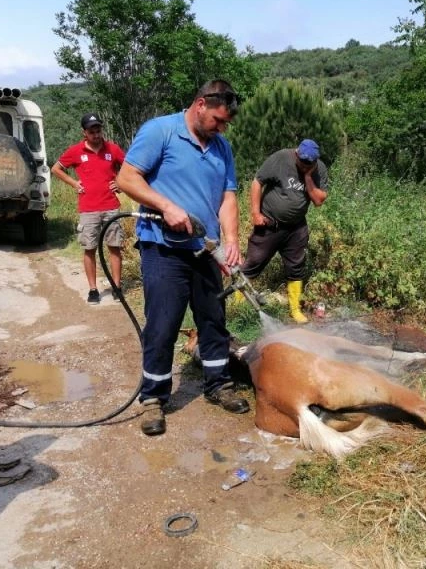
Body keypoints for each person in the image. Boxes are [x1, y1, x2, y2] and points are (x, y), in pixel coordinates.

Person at [116, 79, 249, 436]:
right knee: (163, 324)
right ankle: (153, 398)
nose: (222, 128)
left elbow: (228, 197)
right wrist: (166, 205)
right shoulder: (160, 131)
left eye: (226, 124)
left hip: (206, 249)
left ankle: (219, 383)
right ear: (201, 104)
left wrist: (231, 240)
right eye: (218, 120)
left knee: (213, 319)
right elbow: (127, 178)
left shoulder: (221, 147)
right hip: (163, 248)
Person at [239, 139, 329, 323]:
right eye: (302, 162)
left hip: (296, 227)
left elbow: (319, 200)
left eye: (309, 163)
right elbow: (257, 182)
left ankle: (295, 310)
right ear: (296, 154)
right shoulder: (281, 158)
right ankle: (237, 307)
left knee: (296, 268)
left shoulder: (319, 169)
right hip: (269, 224)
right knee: (253, 263)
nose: (305, 165)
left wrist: (308, 177)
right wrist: (255, 213)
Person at [51, 114, 126, 305]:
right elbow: (56, 169)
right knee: (89, 249)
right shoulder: (76, 151)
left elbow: (129, 167)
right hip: (88, 209)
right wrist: (74, 183)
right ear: (84, 132)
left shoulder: (113, 149)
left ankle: (117, 287)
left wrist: (120, 183)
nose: (96, 135)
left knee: (115, 247)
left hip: (111, 206)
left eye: (98, 130)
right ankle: (93, 290)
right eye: (92, 132)